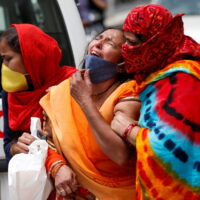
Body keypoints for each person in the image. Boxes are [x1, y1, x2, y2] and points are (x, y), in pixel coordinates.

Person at [111, 4, 200, 199]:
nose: (127, 49)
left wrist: (125, 128)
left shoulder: (183, 80)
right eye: (125, 41)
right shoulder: (159, 72)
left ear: (156, 42)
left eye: (132, 43)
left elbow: (170, 149)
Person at [40, 28, 141, 199]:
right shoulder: (63, 91)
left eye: (109, 43)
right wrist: (58, 166)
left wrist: (85, 102)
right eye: (98, 38)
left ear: (122, 66)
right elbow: (47, 141)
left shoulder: (128, 93)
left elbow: (120, 155)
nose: (99, 44)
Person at [0, 24, 76, 162]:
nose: (4, 65)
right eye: (3, 59)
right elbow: (8, 144)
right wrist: (15, 148)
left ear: (31, 56)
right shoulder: (10, 94)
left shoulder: (71, 83)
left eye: (8, 59)